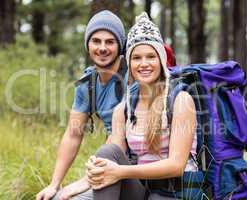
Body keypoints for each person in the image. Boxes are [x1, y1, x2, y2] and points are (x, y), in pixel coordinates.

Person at [83, 12, 198, 200]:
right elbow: (111, 160)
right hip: (142, 190)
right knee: (106, 152)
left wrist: (120, 172)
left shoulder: (181, 100)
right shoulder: (124, 109)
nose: (144, 64)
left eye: (150, 56)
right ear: (129, 63)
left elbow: (177, 165)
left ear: (160, 60)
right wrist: (76, 185)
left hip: (176, 192)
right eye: (136, 58)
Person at [36, 10, 129, 200]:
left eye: (110, 42)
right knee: (55, 198)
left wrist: (85, 181)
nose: (102, 48)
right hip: (107, 162)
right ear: (88, 45)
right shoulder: (88, 83)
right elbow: (73, 134)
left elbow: (120, 138)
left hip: (135, 167)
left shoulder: (132, 76)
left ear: (120, 46)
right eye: (96, 41)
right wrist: (55, 184)